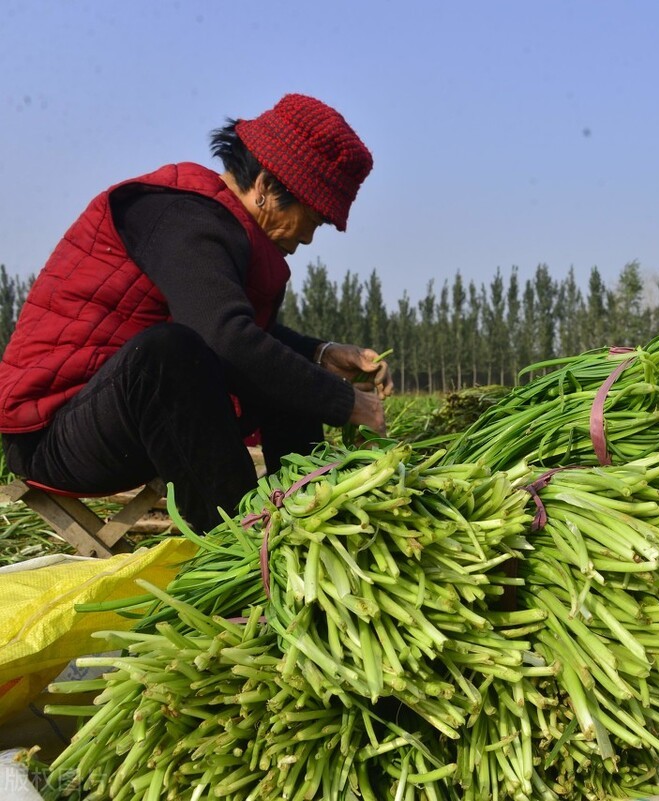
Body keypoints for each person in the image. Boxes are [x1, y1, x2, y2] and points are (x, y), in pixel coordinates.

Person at [0, 93, 393, 532]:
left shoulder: (221, 224)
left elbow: (240, 335)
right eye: (313, 219)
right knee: (168, 352)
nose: (308, 239)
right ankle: (239, 543)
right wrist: (345, 403)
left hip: (122, 417)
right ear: (264, 186)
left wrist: (322, 354)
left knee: (288, 371)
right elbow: (223, 338)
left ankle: (305, 513)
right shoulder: (182, 216)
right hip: (53, 434)